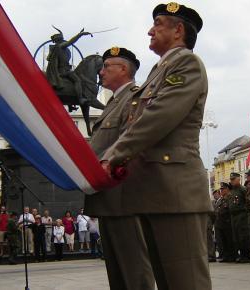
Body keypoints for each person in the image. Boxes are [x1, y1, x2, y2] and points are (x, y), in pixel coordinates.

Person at [101, 3, 212, 289]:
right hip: (156, 190)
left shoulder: (187, 63)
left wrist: (114, 155)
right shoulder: (159, 71)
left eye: (159, 24)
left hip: (176, 191)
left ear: (178, 31)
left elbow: (158, 117)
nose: (151, 30)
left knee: (185, 283)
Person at [84, 46, 155, 290]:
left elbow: (133, 141)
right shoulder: (114, 103)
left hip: (125, 197)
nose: (101, 72)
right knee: (117, 272)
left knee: (134, 270)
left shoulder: (135, 99)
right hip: (110, 197)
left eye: (106, 67)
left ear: (123, 69)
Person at [46, 27, 91, 105]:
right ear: (60, 40)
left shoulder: (56, 48)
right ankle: (80, 99)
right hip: (64, 71)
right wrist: (80, 35)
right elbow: (70, 42)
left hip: (61, 70)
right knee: (77, 80)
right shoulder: (60, 46)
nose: (64, 40)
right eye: (62, 39)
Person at [229, 173, 250, 263]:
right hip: (234, 216)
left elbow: (248, 201)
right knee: (237, 237)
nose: (232, 181)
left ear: (238, 179)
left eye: (234, 179)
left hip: (242, 215)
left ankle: (247, 255)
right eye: (231, 179)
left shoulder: (243, 189)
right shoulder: (232, 190)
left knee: (243, 236)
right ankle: (242, 255)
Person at [214, 182, 236, 262]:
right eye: (221, 189)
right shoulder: (222, 199)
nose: (221, 191)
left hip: (227, 222)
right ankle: (226, 256)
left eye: (223, 189)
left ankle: (232, 256)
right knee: (223, 241)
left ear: (227, 189)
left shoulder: (230, 197)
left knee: (229, 240)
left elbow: (231, 209)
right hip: (221, 223)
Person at [208, 190, 219, 262]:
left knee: (209, 240)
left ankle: (212, 256)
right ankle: (208, 255)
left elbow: (213, 214)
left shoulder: (210, 202)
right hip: (204, 223)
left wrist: (211, 222)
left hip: (207, 223)